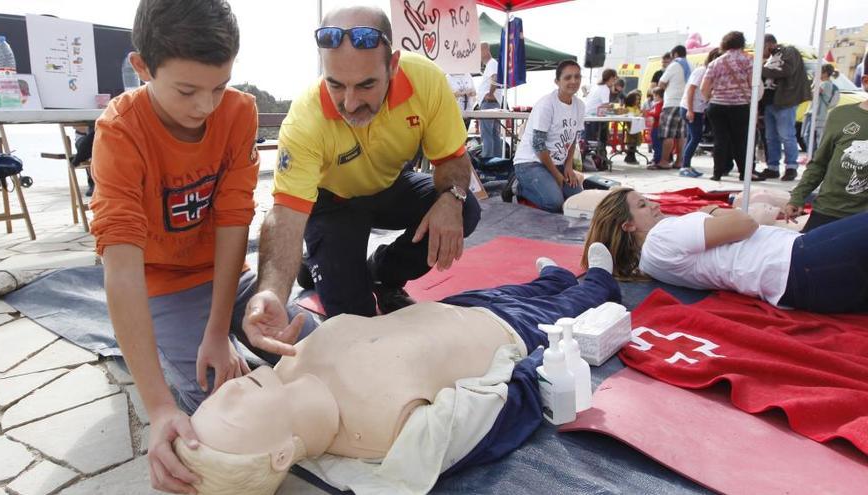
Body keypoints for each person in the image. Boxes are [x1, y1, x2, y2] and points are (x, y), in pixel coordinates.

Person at [90, 2, 319, 494]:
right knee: (213, 408)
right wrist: (157, 408)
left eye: (219, 86)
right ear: (142, 68)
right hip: (162, 287)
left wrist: (222, 327)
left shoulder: (239, 113)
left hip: (224, 277)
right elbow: (123, 270)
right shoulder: (120, 132)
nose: (205, 106)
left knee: (308, 341)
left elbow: (234, 222)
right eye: (187, 90)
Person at [176, 245, 622, 495]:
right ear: (279, 456)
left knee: (519, 288)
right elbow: (503, 411)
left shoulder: (289, 363)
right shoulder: (390, 436)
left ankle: (551, 279)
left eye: (213, 401)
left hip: (453, 309)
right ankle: (598, 279)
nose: (226, 392)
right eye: (229, 414)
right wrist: (541, 363)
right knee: (581, 300)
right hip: (512, 333)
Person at [248, 6, 481, 330]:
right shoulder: (305, 118)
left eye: (366, 85)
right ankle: (311, 264)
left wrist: (452, 198)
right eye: (336, 85)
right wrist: (272, 291)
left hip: (390, 187)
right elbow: (286, 213)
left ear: (393, 65)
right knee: (355, 319)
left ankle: (385, 273)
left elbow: (453, 158)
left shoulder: (426, 80)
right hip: (334, 203)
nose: (351, 102)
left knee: (465, 208)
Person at [584, 188, 868, 314]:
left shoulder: (650, 263)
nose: (655, 205)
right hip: (800, 261)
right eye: (643, 205)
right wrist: (711, 209)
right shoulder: (662, 236)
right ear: (628, 226)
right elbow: (746, 223)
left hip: (796, 282)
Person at [784, 92, 868, 232]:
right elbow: (820, 163)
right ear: (866, 81)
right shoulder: (841, 115)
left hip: (862, 220)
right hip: (828, 210)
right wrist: (798, 197)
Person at [513, 60, 586, 212]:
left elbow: (573, 138)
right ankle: (519, 187)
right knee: (555, 203)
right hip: (530, 163)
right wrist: (557, 176)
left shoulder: (580, 106)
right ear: (557, 81)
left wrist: (568, 166)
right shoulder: (547, 104)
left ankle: (544, 185)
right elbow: (538, 144)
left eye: (577, 77)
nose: (573, 81)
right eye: (568, 77)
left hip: (556, 164)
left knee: (577, 202)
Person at [701, 31, 765, 183]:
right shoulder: (750, 61)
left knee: (720, 139)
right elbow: (755, 85)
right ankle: (744, 173)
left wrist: (712, 98)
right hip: (740, 106)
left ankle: (717, 173)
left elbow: (704, 88)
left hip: (717, 106)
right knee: (741, 140)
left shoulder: (715, 62)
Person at [756, 34, 811, 182]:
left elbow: (787, 70)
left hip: (785, 101)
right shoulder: (769, 58)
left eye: (761, 47)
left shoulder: (789, 51)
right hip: (770, 102)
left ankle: (791, 167)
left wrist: (760, 70)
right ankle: (773, 167)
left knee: (787, 135)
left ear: (769, 44)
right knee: (770, 137)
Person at [680, 48, 721, 178]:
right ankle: (684, 166)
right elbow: (691, 90)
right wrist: (690, 110)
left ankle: (686, 164)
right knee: (695, 137)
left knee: (692, 137)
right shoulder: (701, 71)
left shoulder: (710, 73)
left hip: (697, 109)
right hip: (691, 108)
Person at [655, 45, 689, 169]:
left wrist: (667, 86)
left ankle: (664, 161)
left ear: (675, 54)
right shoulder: (690, 66)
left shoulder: (674, 65)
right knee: (681, 135)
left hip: (671, 103)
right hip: (684, 103)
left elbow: (661, 83)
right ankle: (679, 161)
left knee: (668, 134)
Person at [477, 42, 503, 159]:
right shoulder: (492, 64)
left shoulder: (492, 63)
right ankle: (496, 160)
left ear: (485, 51)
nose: (479, 56)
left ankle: (488, 159)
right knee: (493, 133)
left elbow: (495, 77)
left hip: (489, 103)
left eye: (479, 52)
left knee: (487, 133)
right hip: (492, 102)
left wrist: (490, 93)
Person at [805, 63, 840, 148]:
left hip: (817, 114)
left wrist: (814, 82)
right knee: (810, 136)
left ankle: (813, 156)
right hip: (816, 113)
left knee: (809, 136)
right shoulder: (825, 83)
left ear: (825, 73)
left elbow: (812, 94)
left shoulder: (826, 84)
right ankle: (812, 155)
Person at [648, 86, 664, 166]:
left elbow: (657, 114)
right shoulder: (659, 104)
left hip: (657, 127)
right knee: (658, 144)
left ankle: (657, 159)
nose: (653, 97)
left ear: (658, 96)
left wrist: (648, 113)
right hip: (658, 126)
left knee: (656, 143)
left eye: (654, 95)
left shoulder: (659, 104)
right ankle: (657, 158)